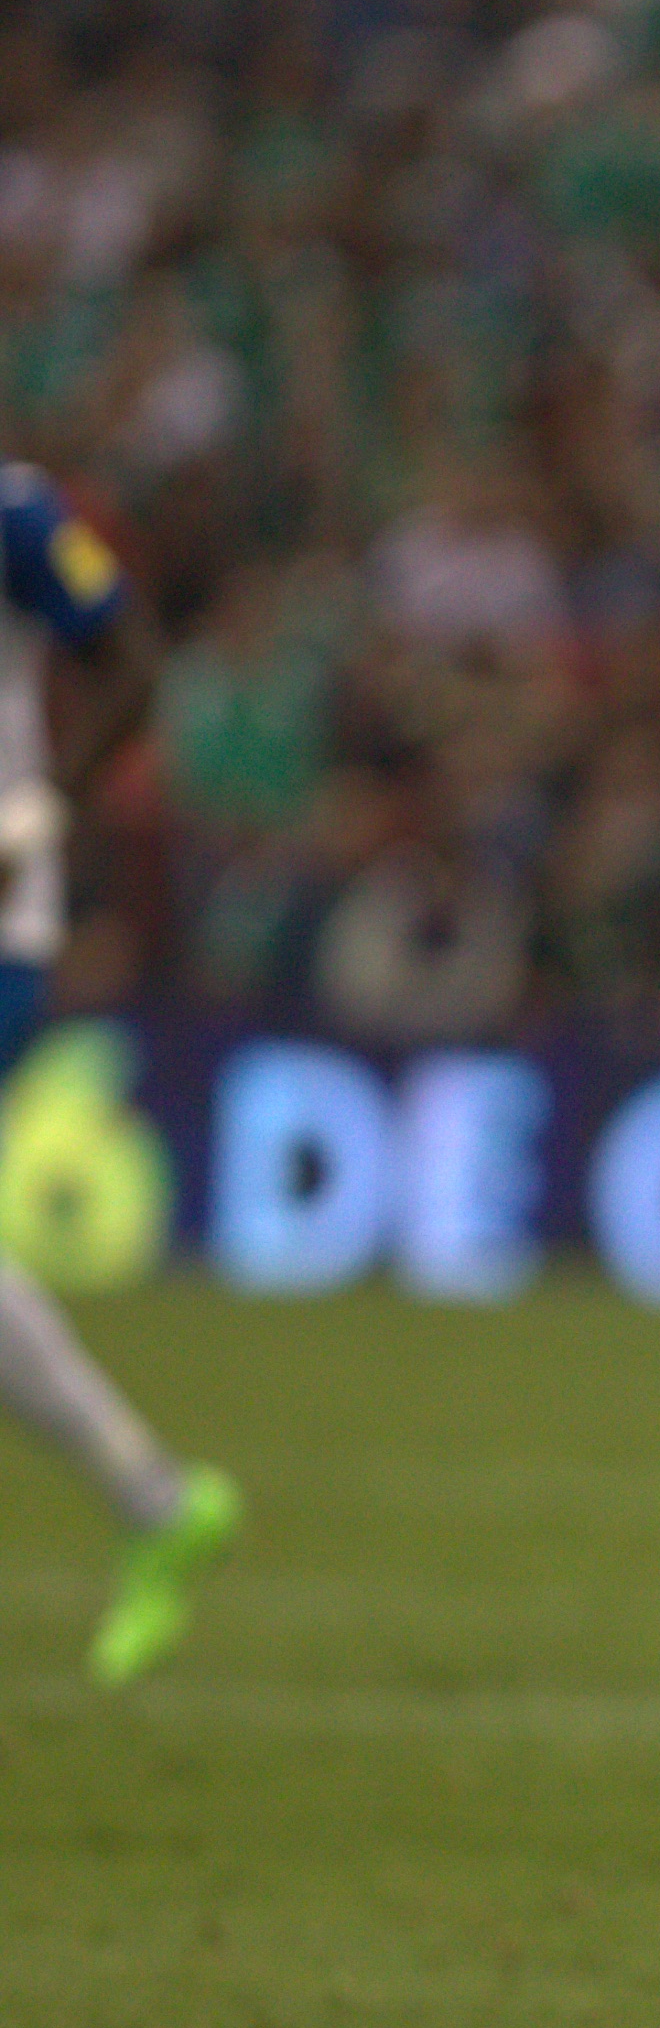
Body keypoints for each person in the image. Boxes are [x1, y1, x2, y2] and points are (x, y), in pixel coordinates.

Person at [0, 461, 239, 1686]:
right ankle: (153, 1496)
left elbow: (132, 659)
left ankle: (153, 1495)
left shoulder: (16, 514)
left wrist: (42, 805)